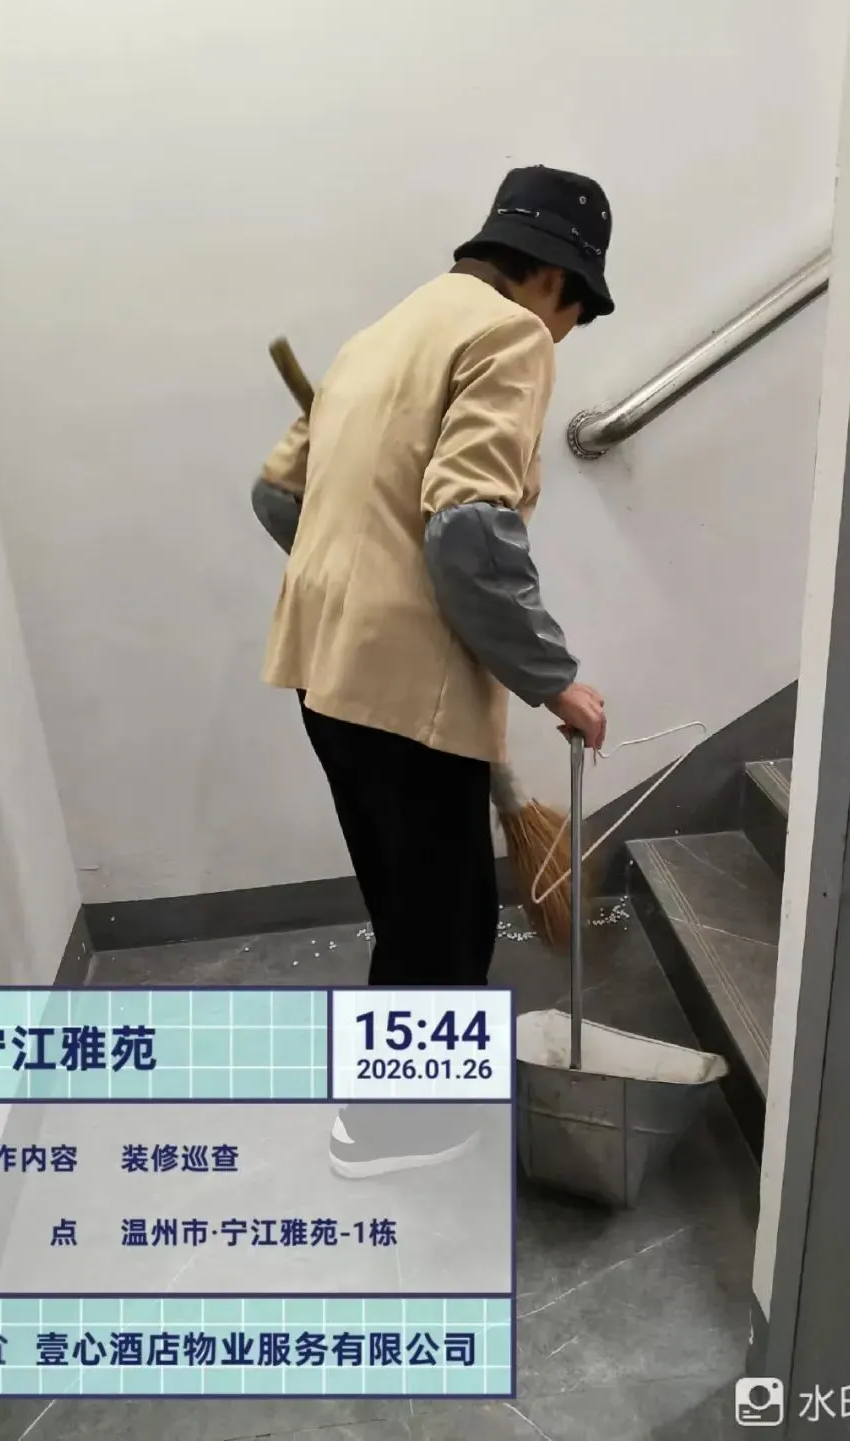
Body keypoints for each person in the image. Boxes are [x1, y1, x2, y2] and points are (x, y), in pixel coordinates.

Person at [252, 166, 613, 1176]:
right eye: (575, 311)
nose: (564, 335)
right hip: (405, 697)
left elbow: (277, 496)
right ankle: (392, 1130)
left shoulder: (381, 334)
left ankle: (396, 1106)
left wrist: (359, 578)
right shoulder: (509, 336)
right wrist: (553, 677)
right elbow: (469, 530)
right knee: (444, 924)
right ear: (551, 279)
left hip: (325, 673)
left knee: (409, 903)